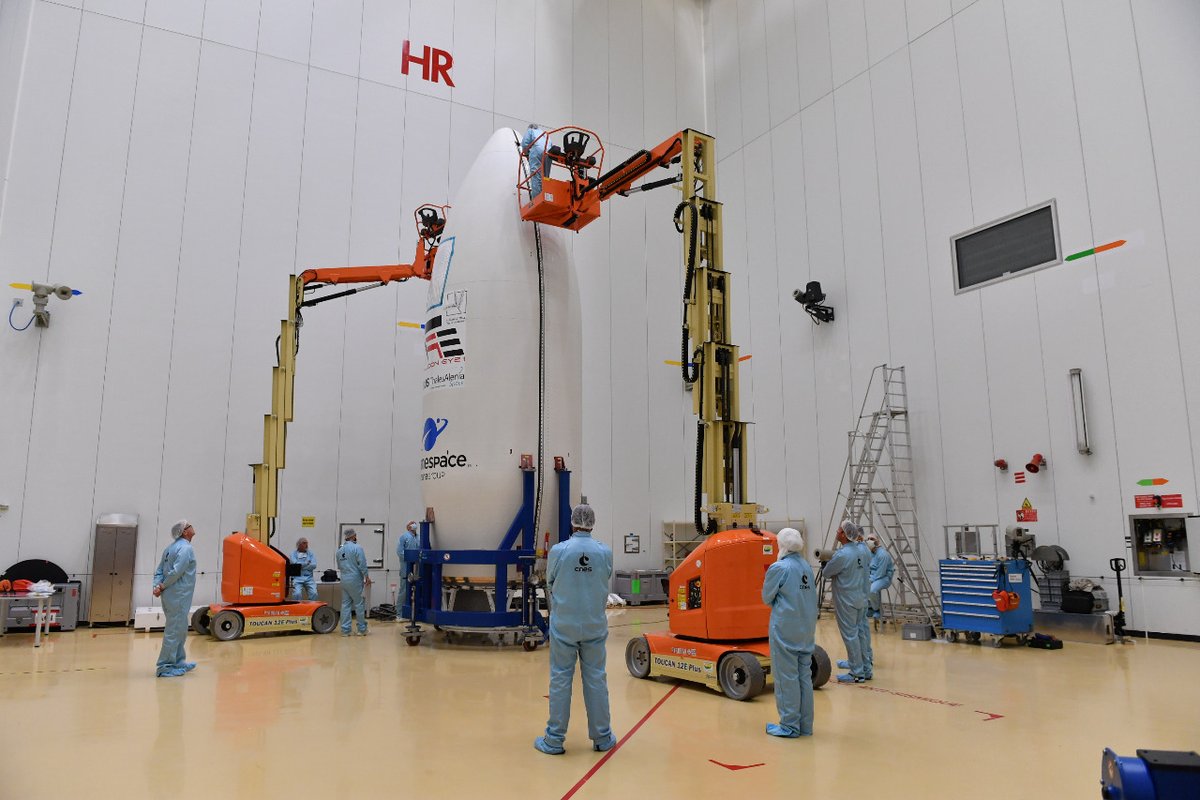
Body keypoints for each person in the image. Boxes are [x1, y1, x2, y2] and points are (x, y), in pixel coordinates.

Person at [534, 504, 616, 755]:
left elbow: (550, 582)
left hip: (564, 626)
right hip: (594, 625)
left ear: (572, 522)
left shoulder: (559, 551)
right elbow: (605, 578)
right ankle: (602, 737)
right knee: (596, 679)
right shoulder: (604, 552)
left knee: (560, 678)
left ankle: (554, 740)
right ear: (592, 523)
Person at [762, 527, 817, 737]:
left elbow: (767, 597)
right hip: (806, 629)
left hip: (785, 629)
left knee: (786, 678)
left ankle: (789, 726)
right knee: (804, 677)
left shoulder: (779, 568)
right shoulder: (806, 566)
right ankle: (805, 725)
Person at [823, 520, 869, 683]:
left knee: (850, 635)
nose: (837, 532)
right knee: (860, 633)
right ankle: (865, 668)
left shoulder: (842, 555)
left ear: (844, 534)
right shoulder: (861, 551)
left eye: (839, 530)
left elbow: (827, 573)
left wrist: (826, 564)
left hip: (846, 600)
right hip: (860, 597)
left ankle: (856, 673)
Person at [152, 519, 198, 678]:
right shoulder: (186, 549)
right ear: (185, 532)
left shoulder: (169, 548)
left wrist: (157, 586)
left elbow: (159, 570)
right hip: (179, 595)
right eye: (189, 526)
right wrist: (162, 586)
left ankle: (178, 661)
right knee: (174, 631)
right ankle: (165, 666)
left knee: (180, 630)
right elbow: (177, 572)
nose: (192, 527)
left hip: (172, 596)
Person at [336, 529, 371, 636]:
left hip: (344, 579)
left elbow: (339, 566)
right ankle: (361, 629)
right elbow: (362, 564)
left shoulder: (340, 550)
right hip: (355, 579)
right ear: (354, 536)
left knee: (345, 604)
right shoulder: (357, 548)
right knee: (359, 604)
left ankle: (345, 630)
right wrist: (367, 576)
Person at [866, 534, 895, 619]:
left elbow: (880, 573)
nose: (869, 541)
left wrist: (870, 580)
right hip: (872, 576)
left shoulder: (883, 554)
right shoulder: (870, 554)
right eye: (868, 539)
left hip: (884, 577)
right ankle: (870, 607)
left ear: (877, 541)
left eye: (872, 539)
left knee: (872, 590)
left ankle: (877, 609)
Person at [396, 521, 420, 620]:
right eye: (411, 523)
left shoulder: (419, 537)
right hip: (406, 568)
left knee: (416, 591)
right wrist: (410, 559)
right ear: (408, 527)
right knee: (404, 591)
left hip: (417, 568)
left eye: (414, 523)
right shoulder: (404, 537)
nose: (414, 525)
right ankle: (399, 614)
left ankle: (414, 614)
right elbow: (399, 552)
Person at [520, 123, 549, 199]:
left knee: (536, 175)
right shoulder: (544, 134)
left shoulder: (530, 130)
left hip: (537, 151)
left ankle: (536, 198)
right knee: (545, 177)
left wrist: (526, 153)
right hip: (548, 154)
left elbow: (525, 144)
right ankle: (545, 195)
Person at [291, 537, 318, 601]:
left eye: (306, 543)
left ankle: (311, 605)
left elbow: (314, 565)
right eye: (304, 543)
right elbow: (295, 565)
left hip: (309, 578)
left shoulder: (311, 554)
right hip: (297, 578)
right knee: (297, 594)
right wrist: (306, 563)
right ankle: (298, 606)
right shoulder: (293, 554)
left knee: (314, 593)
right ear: (299, 544)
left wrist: (301, 566)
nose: (306, 545)